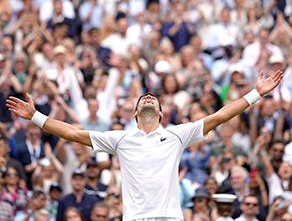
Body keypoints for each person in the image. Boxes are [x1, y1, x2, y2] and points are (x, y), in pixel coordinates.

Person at [6, 70, 283, 221]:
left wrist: (257, 92)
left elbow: (221, 115)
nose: (148, 98)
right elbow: (74, 133)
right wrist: (35, 116)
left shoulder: (177, 135)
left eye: (153, 98)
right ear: (136, 113)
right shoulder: (121, 139)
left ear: (161, 114)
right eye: (144, 98)